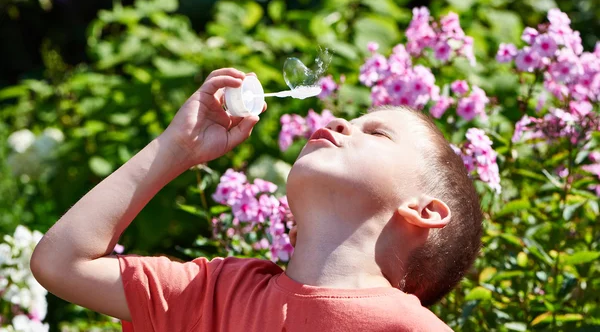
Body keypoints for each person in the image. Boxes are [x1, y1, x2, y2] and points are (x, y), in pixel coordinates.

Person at [31, 68, 482, 331]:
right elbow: (60, 263)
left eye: (377, 133)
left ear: (424, 211)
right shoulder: (213, 293)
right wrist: (177, 149)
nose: (344, 121)